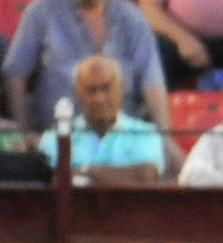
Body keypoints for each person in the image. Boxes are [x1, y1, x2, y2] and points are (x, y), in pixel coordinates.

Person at [1, 0, 169, 134]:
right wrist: (24, 132)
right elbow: (15, 74)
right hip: (58, 139)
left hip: (122, 141)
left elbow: (153, 82)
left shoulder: (132, 17)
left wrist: (165, 138)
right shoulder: (40, 12)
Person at [37, 55, 164, 185]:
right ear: (78, 94)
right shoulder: (55, 136)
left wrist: (85, 170)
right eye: (91, 91)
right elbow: (54, 177)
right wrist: (116, 175)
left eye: (106, 88)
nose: (99, 98)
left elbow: (144, 177)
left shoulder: (145, 133)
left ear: (121, 88)